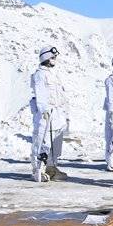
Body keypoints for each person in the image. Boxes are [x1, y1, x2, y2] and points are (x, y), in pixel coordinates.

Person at [29, 46, 70, 183]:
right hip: (45, 113)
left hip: (57, 112)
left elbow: (61, 93)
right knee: (42, 141)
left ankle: (51, 167)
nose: (54, 60)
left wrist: (65, 110)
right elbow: (40, 93)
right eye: (52, 57)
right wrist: (43, 109)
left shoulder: (54, 73)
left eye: (55, 57)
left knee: (55, 142)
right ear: (45, 57)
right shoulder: (40, 74)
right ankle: (38, 170)